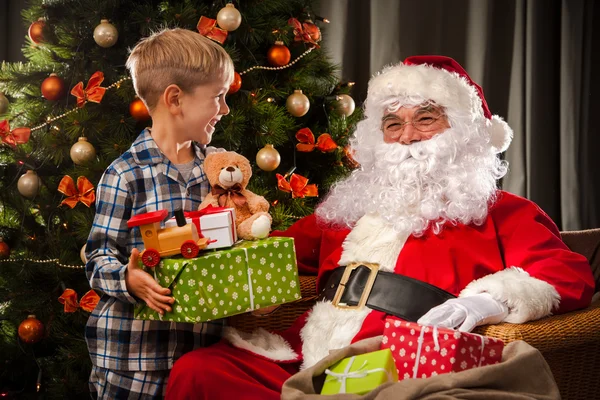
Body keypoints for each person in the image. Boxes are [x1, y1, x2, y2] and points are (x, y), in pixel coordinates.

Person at [165, 56, 595, 399]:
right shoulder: (351, 206)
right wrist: (208, 241)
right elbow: (279, 252)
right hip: (307, 355)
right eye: (393, 123)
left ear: (465, 133)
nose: (407, 136)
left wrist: (484, 305)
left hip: (398, 365)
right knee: (199, 371)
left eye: (425, 119)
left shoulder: (505, 212)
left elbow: (566, 275)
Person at [85, 28, 233, 399]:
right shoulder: (125, 174)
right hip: (133, 360)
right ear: (175, 99)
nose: (226, 109)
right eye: (218, 96)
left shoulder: (218, 170)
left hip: (201, 353)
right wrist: (128, 280)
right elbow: (98, 257)